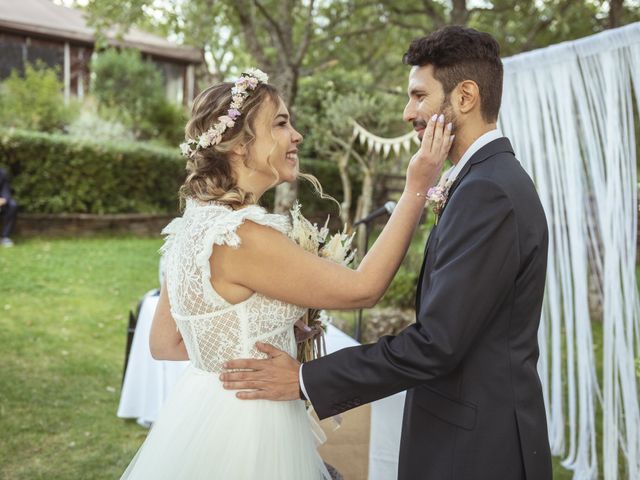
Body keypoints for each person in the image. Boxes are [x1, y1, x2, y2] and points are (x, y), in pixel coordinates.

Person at [221, 26, 553, 480]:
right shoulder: (485, 181)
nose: (407, 112)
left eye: (419, 96)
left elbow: (437, 345)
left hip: (475, 450)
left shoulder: (488, 191)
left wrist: (304, 380)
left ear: (466, 97)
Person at [120, 67, 452, 479]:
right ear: (240, 146)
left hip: (202, 413)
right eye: (280, 124)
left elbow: (166, 342)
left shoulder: (192, 225)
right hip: (251, 429)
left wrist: (256, 335)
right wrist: (417, 187)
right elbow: (363, 289)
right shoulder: (245, 236)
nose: (296, 136)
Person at [0, 168, 17, 247]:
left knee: (12, 205)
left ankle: (5, 237)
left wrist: (4, 199)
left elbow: (6, 191)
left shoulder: (2, 173)